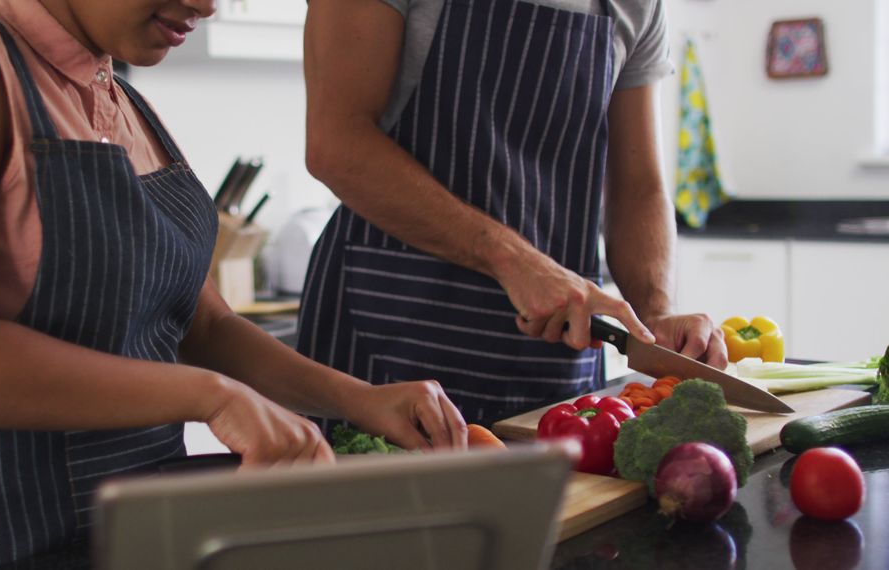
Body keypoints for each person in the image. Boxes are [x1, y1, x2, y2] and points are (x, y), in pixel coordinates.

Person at [0, 0, 467, 566]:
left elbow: (206, 324)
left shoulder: (120, 95)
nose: (207, 4)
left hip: (145, 538)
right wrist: (214, 397)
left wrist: (357, 399)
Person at [297, 0, 728, 430]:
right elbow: (336, 144)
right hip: (387, 337)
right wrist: (515, 262)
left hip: (554, 360)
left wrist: (653, 318)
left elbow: (638, 188)